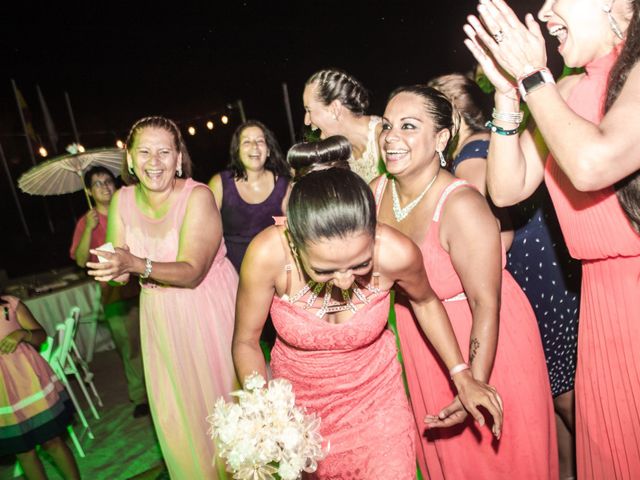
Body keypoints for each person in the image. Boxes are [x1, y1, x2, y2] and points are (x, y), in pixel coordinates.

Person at [232, 136, 503, 479]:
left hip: (378, 411)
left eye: (360, 265)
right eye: (325, 270)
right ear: (295, 242)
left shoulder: (394, 252)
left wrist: (461, 374)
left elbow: (425, 301)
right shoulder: (267, 255)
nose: (345, 281)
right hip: (298, 417)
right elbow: (246, 341)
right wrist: (271, 417)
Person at [464, 0, 640, 477]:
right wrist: (507, 96)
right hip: (599, 305)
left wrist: (533, 78)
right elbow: (506, 187)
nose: (543, 14)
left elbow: (592, 164)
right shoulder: (563, 88)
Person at [374, 85, 557, 479]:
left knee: (497, 465)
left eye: (408, 126)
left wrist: (474, 380)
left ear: (441, 138)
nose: (391, 136)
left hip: (485, 340)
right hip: (423, 344)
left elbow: (486, 303)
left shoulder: (462, 203)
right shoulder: (376, 193)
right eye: (387, 125)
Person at [429, 72, 580, 477]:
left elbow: (491, 228)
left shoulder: (474, 151)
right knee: (557, 394)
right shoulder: (479, 147)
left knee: (566, 394)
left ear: (454, 118)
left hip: (536, 279)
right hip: (540, 273)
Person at [86, 116, 238, 479]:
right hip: (159, 314)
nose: (154, 162)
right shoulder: (121, 200)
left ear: (179, 158)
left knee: (224, 405)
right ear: (130, 160)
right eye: (145, 152)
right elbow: (123, 268)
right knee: (180, 411)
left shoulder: (198, 196)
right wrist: (115, 270)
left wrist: (135, 263)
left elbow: (192, 271)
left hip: (207, 309)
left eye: (164, 152)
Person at [69, 165, 148, 418]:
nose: (104, 186)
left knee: (156, 340)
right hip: (114, 295)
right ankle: (140, 396)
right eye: (97, 184)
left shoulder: (128, 209)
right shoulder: (86, 221)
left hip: (144, 285)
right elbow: (80, 261)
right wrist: (89, 230)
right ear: (89, 192)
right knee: (130, 346)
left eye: (107, 181)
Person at [0, 294, 80, 480]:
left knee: (51, 441)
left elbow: (40, 336)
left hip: (29, 381)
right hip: (3, 394)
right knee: (23, 452)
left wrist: (22, 334)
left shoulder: (10, 305)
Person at [208, 120, 291, 273]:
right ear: (237, 150)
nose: (254, 146)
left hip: (274, 270)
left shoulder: (284, 185)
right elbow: (205, 233)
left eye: (260, 141)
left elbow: (294, 233)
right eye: (246, 142)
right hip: (232, 273)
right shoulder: (220, 184)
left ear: (268, 150)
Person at [303, 68, 382, 182]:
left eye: (309, 110)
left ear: (335, 109)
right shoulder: (343, 152)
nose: (306, 121)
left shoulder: (384, 138)